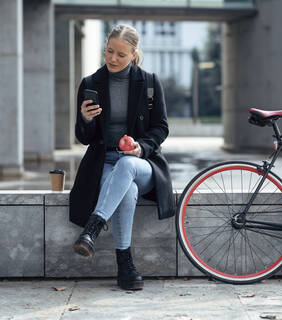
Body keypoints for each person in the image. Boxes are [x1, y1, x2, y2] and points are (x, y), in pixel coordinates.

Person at [69, 24, 175, 291]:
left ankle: (93, 227)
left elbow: (161, 127)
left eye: (121, 54)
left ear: (134, 54)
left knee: (127, 165)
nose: (113, 59)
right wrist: (85, 119)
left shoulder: (149, 82)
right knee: (126, 192)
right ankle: (125, 266)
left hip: (142, 164)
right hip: (105, 162)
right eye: (109, 51)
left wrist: (141, 147)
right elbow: (83, 138)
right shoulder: (90, 83)